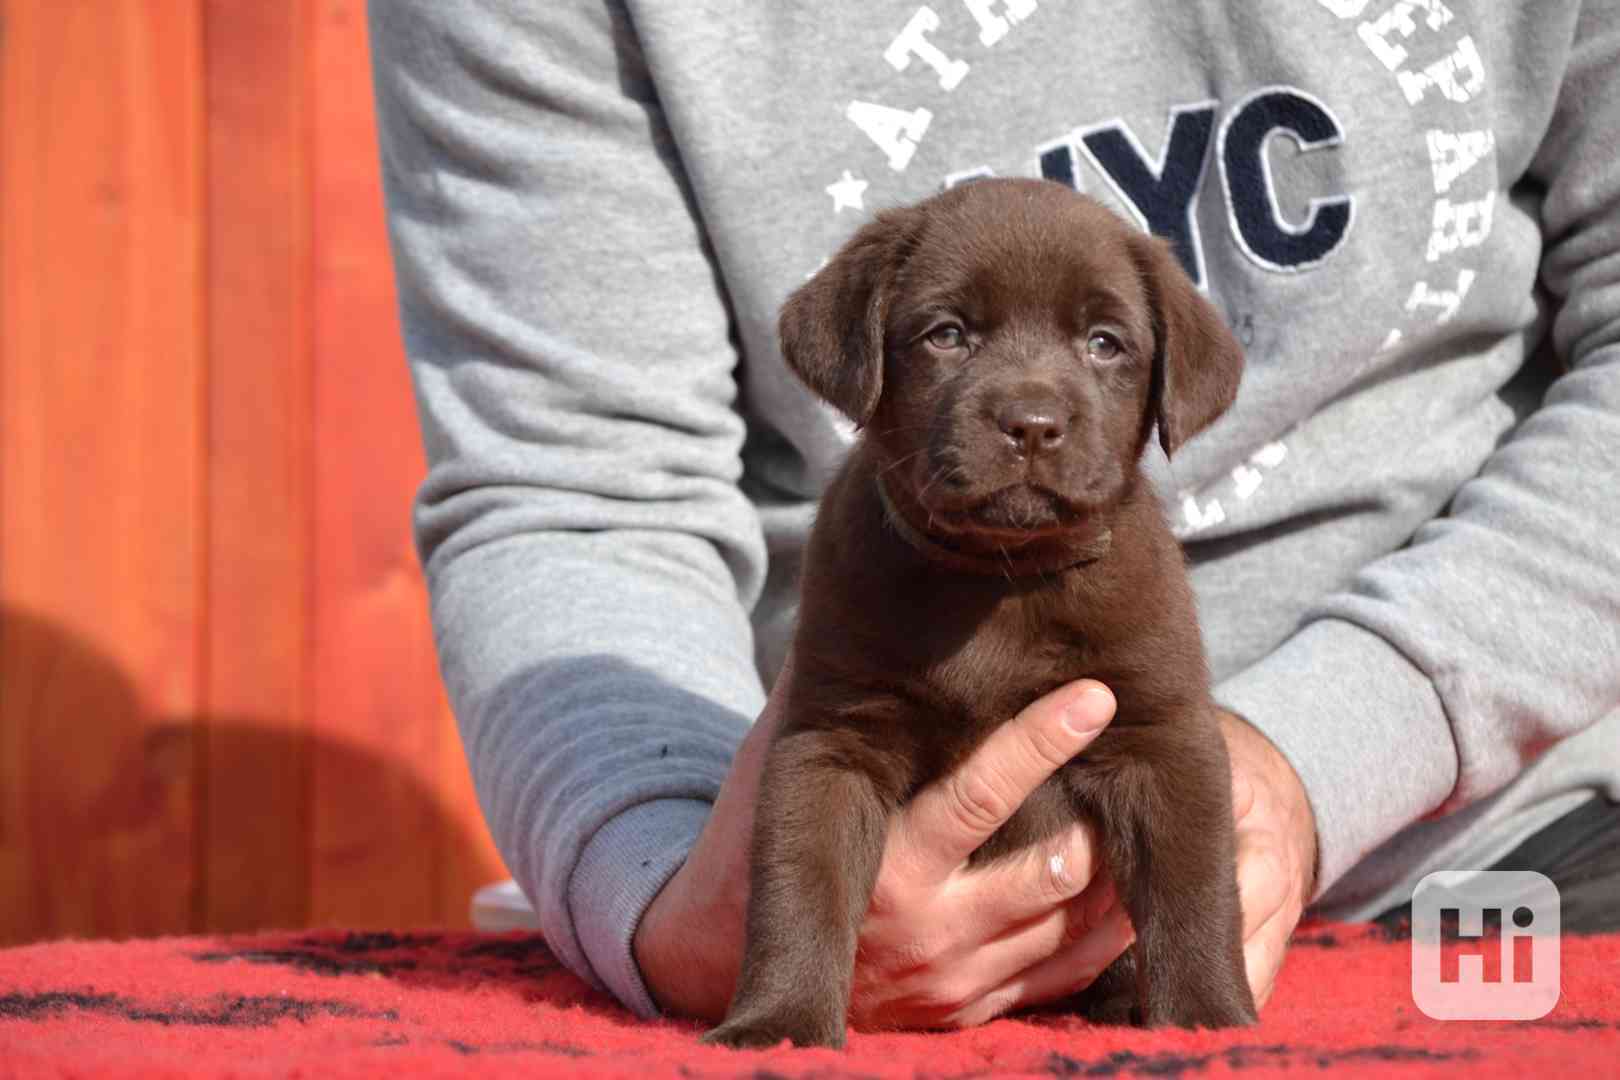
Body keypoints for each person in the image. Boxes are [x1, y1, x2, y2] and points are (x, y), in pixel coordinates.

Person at [366, 0, 1620, 1028]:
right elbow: (573, 481)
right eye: (952, 335)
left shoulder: (1134, 565)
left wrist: (1340, 747)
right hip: (874, 937)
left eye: (1098, 346)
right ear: (871, 357)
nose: (1031, 405)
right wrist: (672, 890)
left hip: (1508, 863)